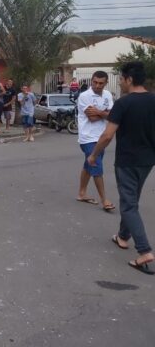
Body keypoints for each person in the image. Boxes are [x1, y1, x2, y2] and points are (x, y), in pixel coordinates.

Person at [88, 61, 155, 275]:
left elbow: (107, 135)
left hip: (127, 160)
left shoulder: (123, 104)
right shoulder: (153, 100)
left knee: (128, 204)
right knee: (132, 198)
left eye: (123, 79)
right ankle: (123, 236)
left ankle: (144, 251)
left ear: (128, 79)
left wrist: (94, 155)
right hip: (147, 160)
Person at [76, 71, 115, 212]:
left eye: (101, 83)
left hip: (102, 137)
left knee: (89, 164)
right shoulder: (84, 96)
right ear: (91, 81)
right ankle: (104, 200)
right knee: (96, 165)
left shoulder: (108, 95)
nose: (97, 85)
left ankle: (81, 193)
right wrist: (105, 113)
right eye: (95, 82)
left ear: (106, 83)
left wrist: (99, 112)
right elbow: (92, 118)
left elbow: (113, 114)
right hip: (88, 138)